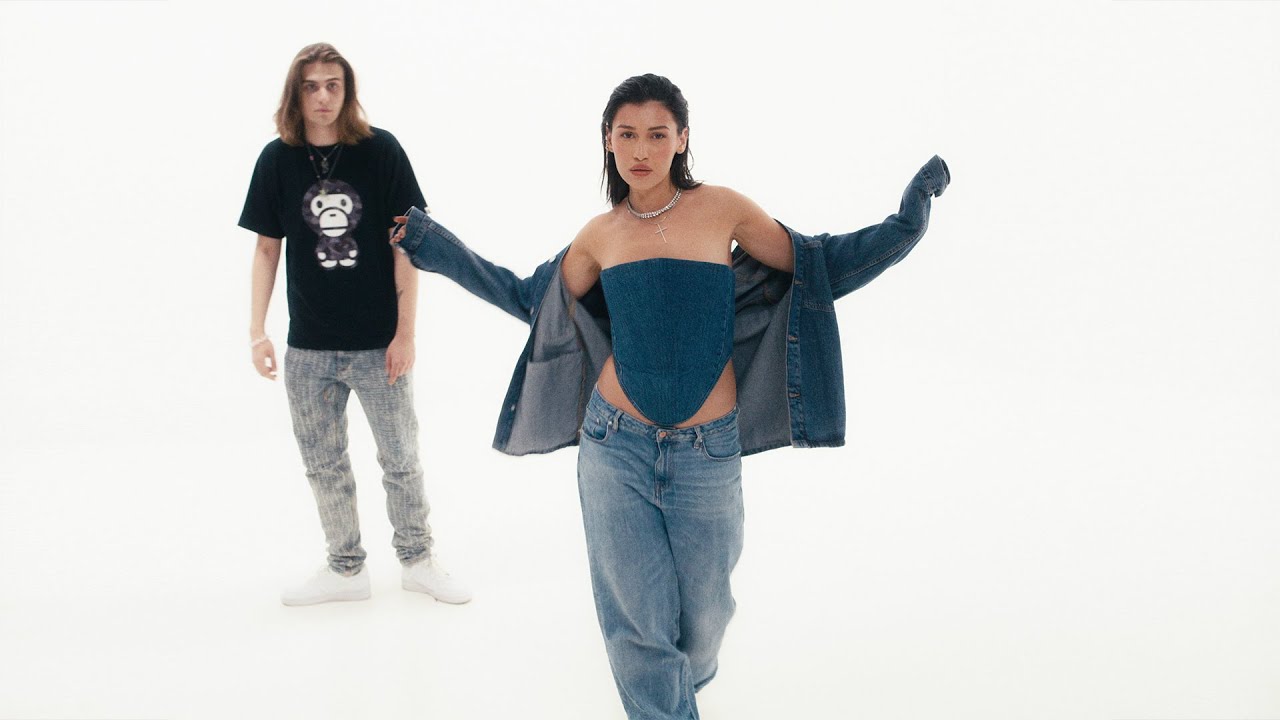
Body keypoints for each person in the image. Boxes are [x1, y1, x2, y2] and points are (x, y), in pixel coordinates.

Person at [391, 74, 949, 718]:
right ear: (608, 140)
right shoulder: (599, 235)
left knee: (705, 621)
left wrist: (906, 222)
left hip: (708, 452)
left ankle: (677, 689)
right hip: (614, 447)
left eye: (657, 135)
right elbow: (528, 299)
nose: (641, 150)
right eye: (627, 134)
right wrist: (434, 245)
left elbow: (817, 266)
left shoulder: (723, 209)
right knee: (638, 629)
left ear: (682, 139)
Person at [239, 42, 469, 607]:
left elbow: (406, 245)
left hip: (377, 344)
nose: (322, 96)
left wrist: (406, 333)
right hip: (308, 349)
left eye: (333, 85)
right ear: (295, 94)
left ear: (348, 91)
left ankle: (417, 560)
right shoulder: (276, 160)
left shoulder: (380, 151)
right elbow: (267, 249)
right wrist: (257, 331)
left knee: (400, 457)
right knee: (323, 464)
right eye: (311, 86)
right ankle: (345, 569)